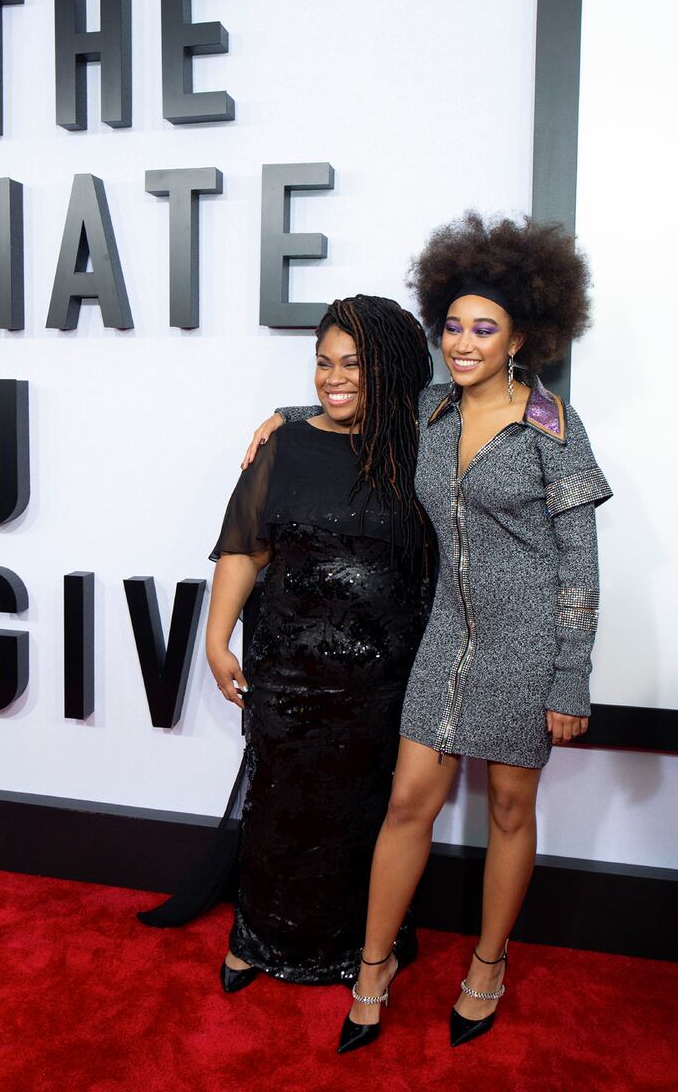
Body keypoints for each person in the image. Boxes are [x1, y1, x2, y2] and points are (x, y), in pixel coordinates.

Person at [249, 212, 611, 1050]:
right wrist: (284, 412)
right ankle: (372, 968)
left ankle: (487, 964)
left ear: (523, 335)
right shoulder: (430, 407)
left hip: (527, 644)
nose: (463, 341)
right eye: (452, 325)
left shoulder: (553, 427)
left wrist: (569, 677)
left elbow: (580, 570)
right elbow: (355, 404)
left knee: (510, 809)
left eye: (484, 328)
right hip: (446, 633)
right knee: (410, 800)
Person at [160, 295, 434, 989]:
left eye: (353, 365)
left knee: (363, 817)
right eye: (322, 363)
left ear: (390, 370)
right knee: (278, 805)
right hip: (286, 670)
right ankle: (257, 939)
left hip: (384, 686)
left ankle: (359, 948)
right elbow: (244, 550)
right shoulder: (283, 445)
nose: (332, 378)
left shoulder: (424, 451)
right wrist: (217, 638)